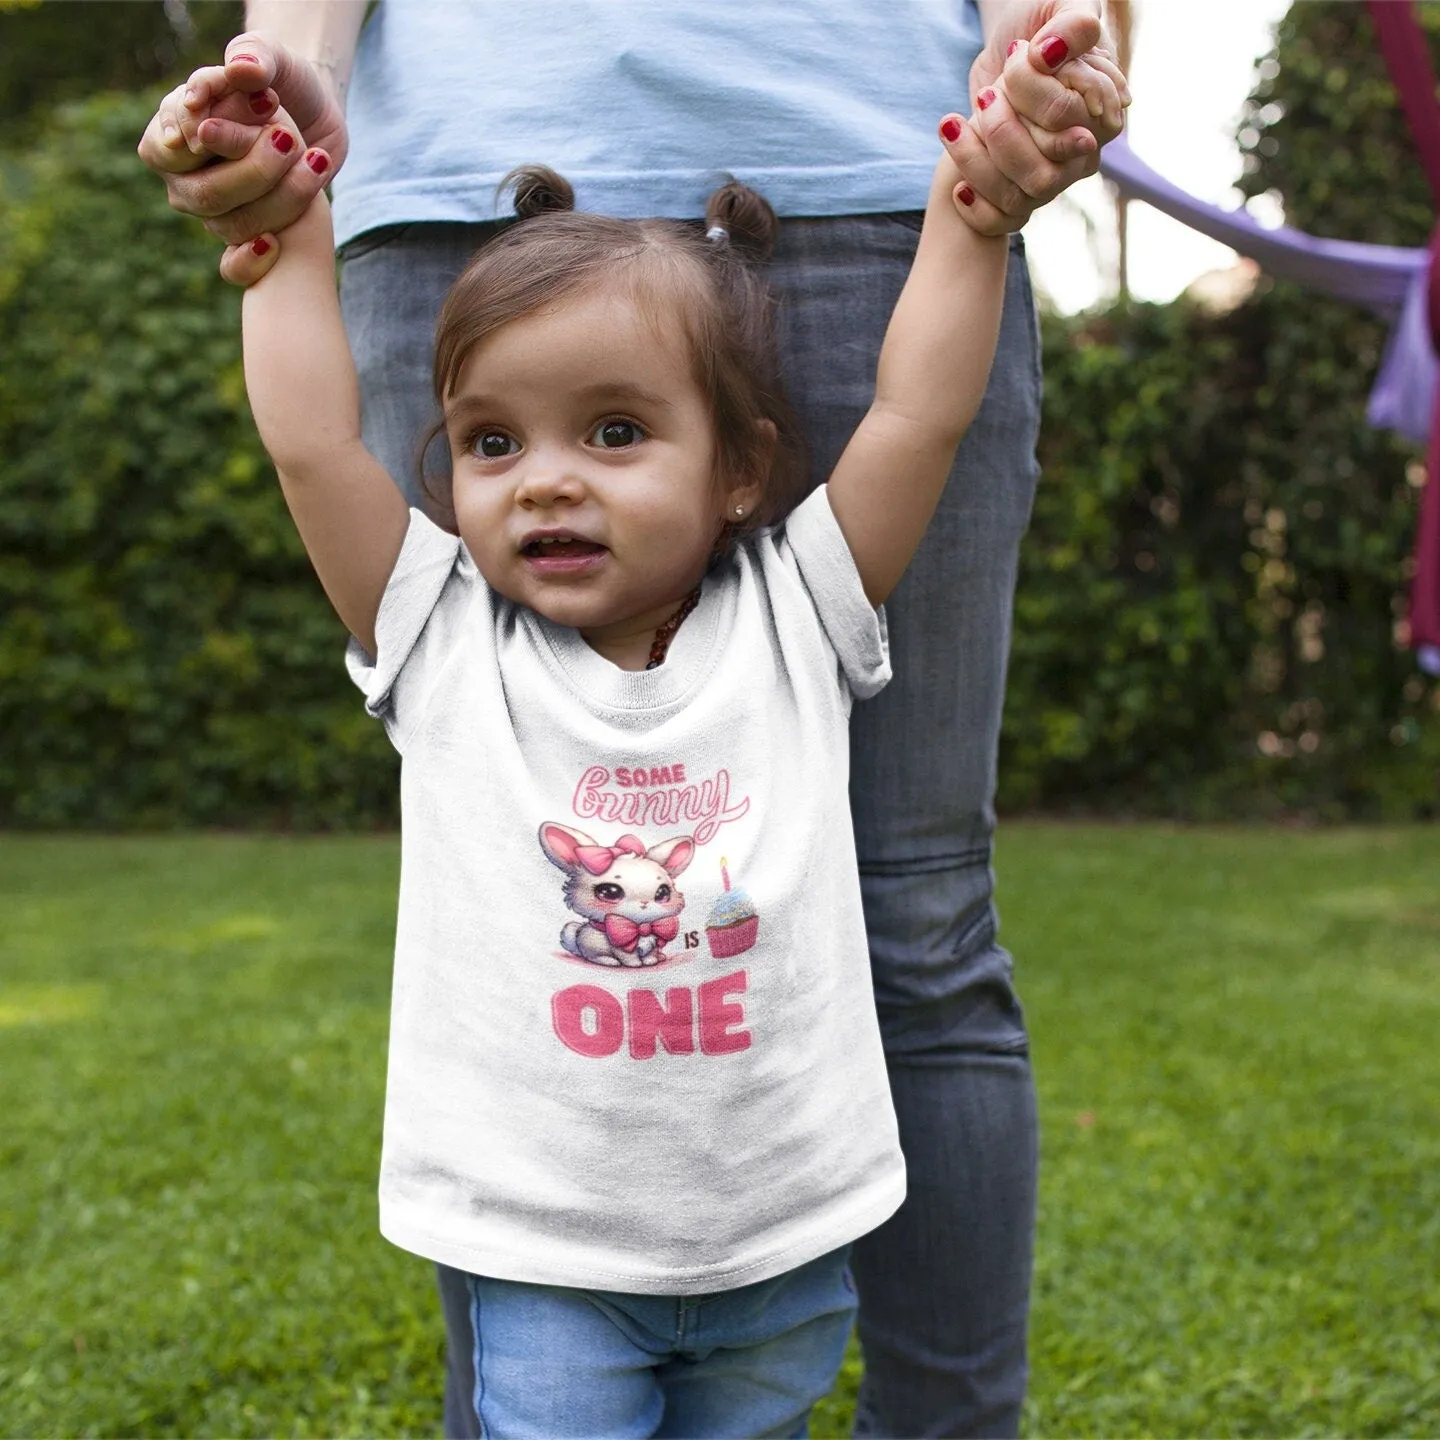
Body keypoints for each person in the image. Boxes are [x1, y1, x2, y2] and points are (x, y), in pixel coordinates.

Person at [139, 8, 1128, 1434]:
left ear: (746, 475)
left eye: (613, 434)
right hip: (539, 1274)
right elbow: (313, 439)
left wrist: (970, 220)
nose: (544, 481)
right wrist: (289, 224)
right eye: (492, 442)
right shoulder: (434, 633)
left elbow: (912, 417)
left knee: (928, 927)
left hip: (777, 1276)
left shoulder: (803, 615)